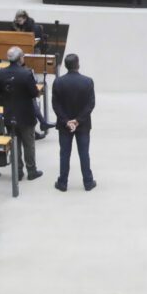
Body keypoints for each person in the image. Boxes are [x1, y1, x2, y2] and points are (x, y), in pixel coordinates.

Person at [0, 47, 43, 181]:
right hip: (26, 114)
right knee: (29, 144)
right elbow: (34, 93)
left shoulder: (1, 73)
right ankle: (31, 171)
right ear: (20, 58)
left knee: (14, 145)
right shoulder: (26, 73)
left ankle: (18, 172)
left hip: (9, 114)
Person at [51, 53, 96, 192]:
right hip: (82, 125)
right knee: (84, 153)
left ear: (65, 65)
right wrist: (77, 121)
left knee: (64, 154)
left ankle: (63, 182)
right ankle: (88, 182)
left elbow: (56, 105)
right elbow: (90, 104)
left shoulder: (58, 82)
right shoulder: (88, 81)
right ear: (78, 64)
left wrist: (66, 121)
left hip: (65, 126)